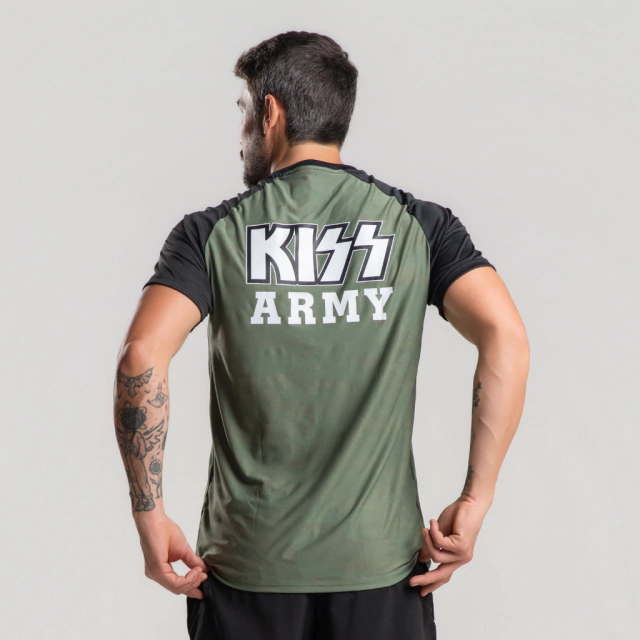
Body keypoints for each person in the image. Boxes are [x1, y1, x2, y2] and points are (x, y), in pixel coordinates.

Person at [113, 30, 530, 640]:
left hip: (247, 567)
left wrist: (148, 514)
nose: (241, 133)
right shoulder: (418, 226)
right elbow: (506, 336)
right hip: (380, 569)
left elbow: (140, 356)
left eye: (243, 111)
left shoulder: (211, 233)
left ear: (270, 113)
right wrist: (476, 498)